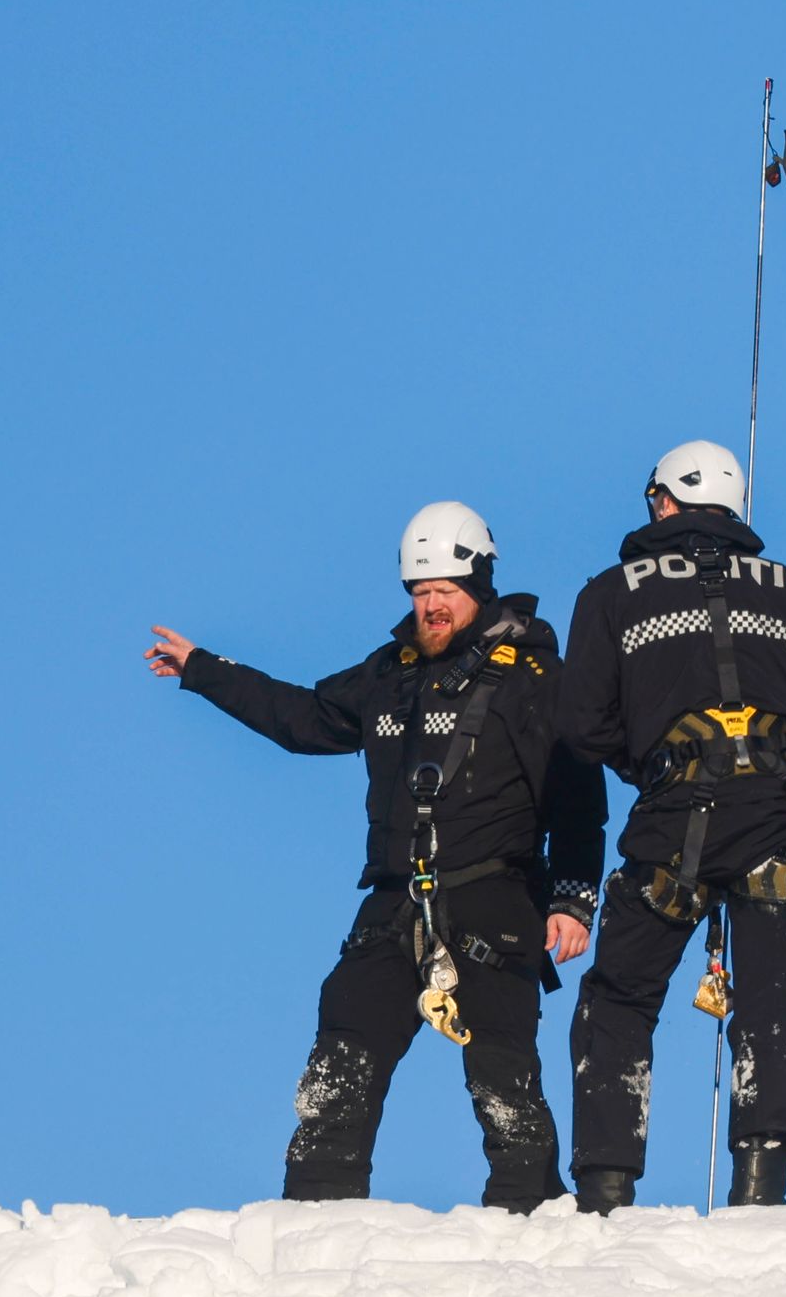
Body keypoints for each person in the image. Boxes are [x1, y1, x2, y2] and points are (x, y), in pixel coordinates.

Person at [143, 501, 606, 1212]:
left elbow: (576, 789)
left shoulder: (533, 676)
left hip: (496, 896)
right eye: (419, 593)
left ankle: (531, 1217)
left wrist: (573, 899)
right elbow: (303, 719)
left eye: (444, 591)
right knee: (343, 1046)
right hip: (395, 901)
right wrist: (204, 670)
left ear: (478, 585)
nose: (431, 606)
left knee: (504, 1073)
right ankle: (316, 1212)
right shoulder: (389, 674)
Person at [556, 441, 786, 1213]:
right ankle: (761, 1183)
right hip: (777, 820)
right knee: (772, 996)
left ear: (661, 500)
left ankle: (606, 1186)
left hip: (673, 823)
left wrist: (654, 755)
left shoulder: (612, 593)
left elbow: (580, 725)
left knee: (621, 997)